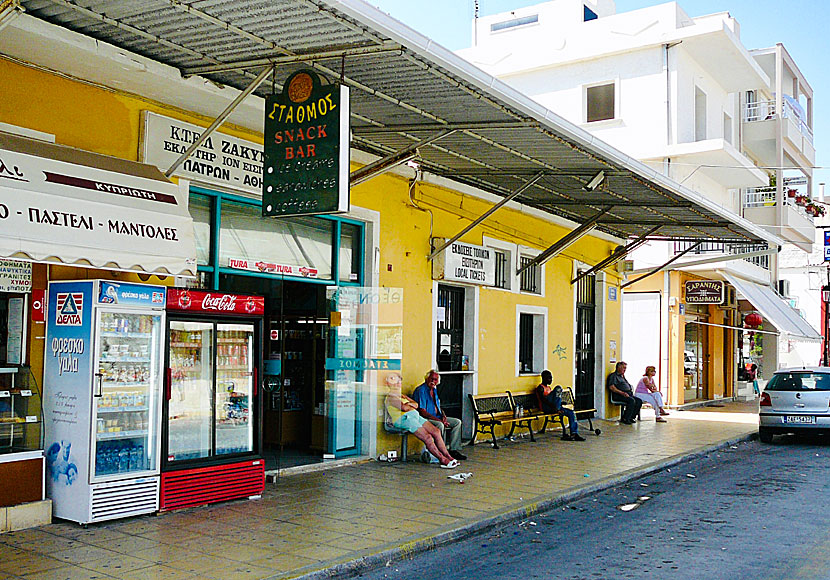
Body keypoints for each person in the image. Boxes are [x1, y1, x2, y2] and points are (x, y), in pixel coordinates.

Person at [384, 374, 458, 469]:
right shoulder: (391, 397)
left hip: (414, 416)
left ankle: (448, 456)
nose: (398, 384)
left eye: (399, 382)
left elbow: (416, 405)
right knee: (427, 437)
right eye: (396, 382)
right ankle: (443, 460)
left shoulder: (401, 396)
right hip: (404, 419)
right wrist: (409, 405)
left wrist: (408, 404)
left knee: (436, 431)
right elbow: (404, 407)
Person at [411, 370, 467, 461]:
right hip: (425, 418)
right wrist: (440, 421)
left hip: (437, 417)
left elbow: (439, 407)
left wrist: (444, 417)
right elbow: (422, 411)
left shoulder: (434, 389)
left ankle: (453, 450)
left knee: (457, 422)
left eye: (436, 379)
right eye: (431, 379)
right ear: (426, 379)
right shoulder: (421, 390)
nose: (433, 381)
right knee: (439, 425)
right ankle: (442, 451)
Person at [536, 370, 585, 441]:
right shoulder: (540, 388)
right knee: (558, 388)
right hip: (547, 408)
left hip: (555, 408)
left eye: (551, 378)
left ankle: (574, 434)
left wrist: (560, 403)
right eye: (549, 378)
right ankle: (558, 409)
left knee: (571, 413)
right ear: (543, 378)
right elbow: (543, 400)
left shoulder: (549, 388)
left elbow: (554, 399)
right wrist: (555, 408)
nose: (551, 380)